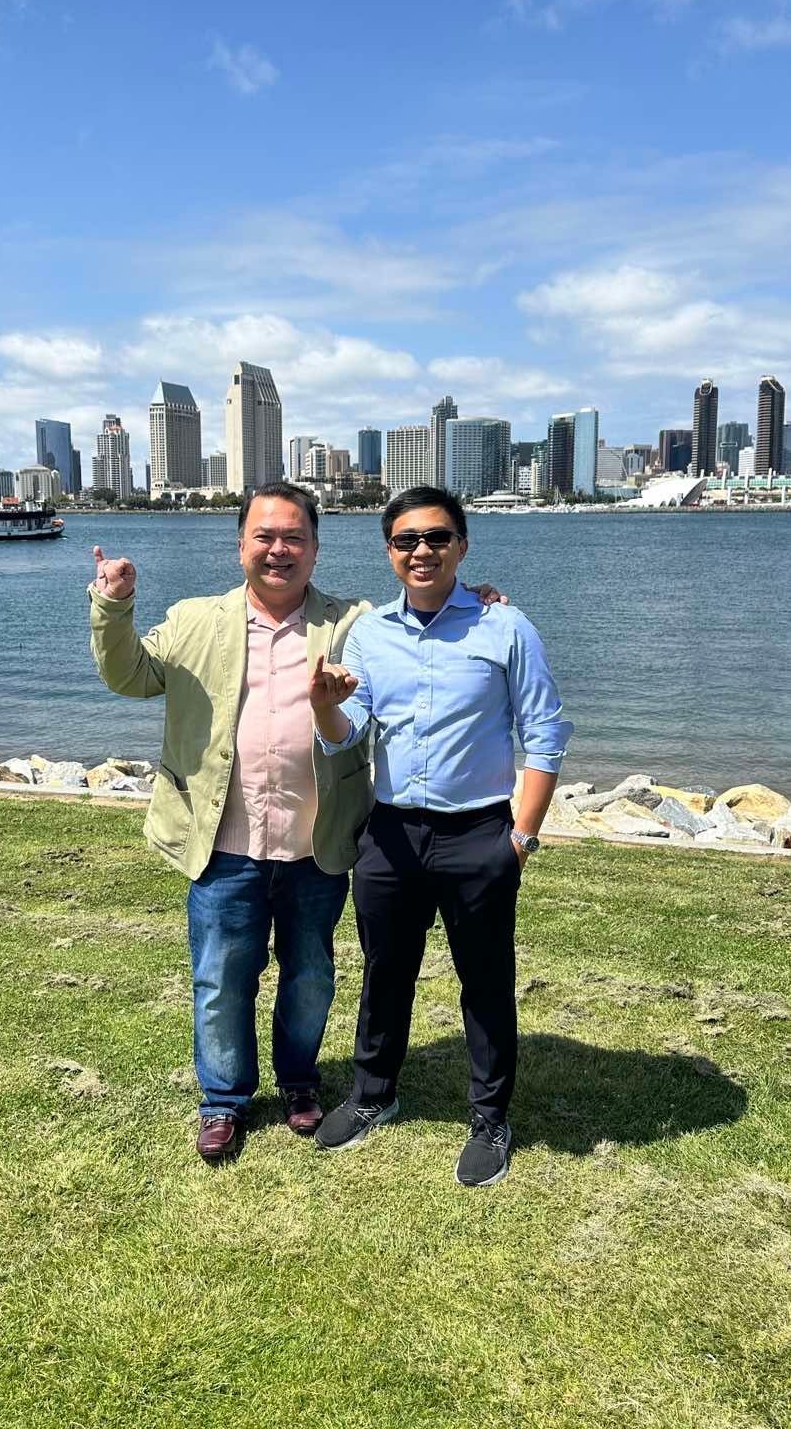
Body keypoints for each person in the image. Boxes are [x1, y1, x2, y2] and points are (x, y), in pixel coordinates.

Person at [89, 482, 503, 1164]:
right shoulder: (195, 619)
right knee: (221, 978)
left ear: (315, 547)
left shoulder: (352, 623)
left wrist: (474, 599)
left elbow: (418, 618)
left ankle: (300, 1084)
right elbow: (130, 676)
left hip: (318, 843)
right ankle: (223, 1101)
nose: (279, 549)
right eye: (265, 536)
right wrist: (112, 603)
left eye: (294, 538)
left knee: (310, 976)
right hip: (222, 843)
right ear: (241, 545)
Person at [308, 485, 573, 1187]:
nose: (420, 551)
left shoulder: (505, 627)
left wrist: (520, 838)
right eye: (405, 541)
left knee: (485, 982)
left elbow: (544, 734)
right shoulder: (369, 634)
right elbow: (345, 738)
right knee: (384, 973)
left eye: (435, 538)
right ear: (388, 552)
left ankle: (489, 1117)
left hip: (479, 833)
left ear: (461, 545)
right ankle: (373, 1095)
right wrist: (325, 709)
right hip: (391, 833)